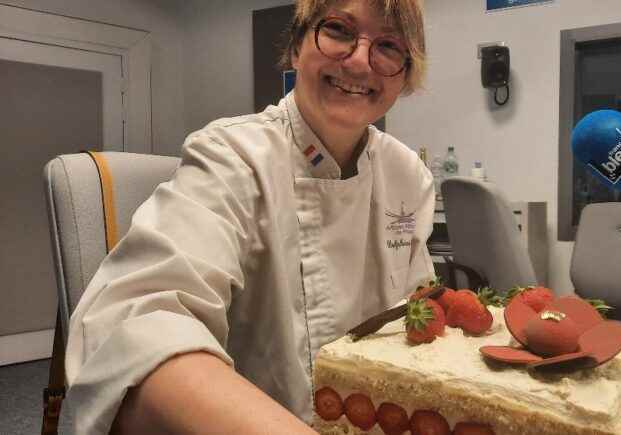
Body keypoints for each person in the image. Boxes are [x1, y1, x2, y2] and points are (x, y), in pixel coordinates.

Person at [63, 0, 433, 433]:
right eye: (338, 30)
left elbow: (417, 320)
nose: (357, 60)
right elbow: (135, 326)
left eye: (388, 46)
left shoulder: (409, 176)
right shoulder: (231, 157)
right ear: (297, 46)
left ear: (405, 76)